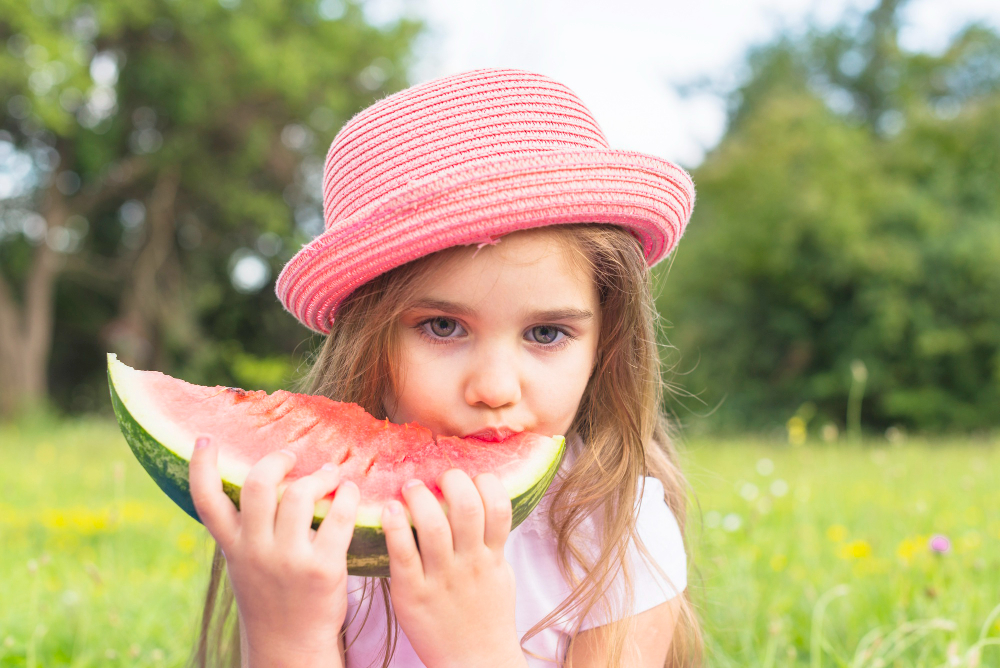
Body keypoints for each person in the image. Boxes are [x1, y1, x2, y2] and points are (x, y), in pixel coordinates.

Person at [187, 68, 702, 668]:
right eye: (443, 327)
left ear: (606, 345)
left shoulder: (620, 535)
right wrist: (286, 635)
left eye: (546, 333)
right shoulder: (311, 520)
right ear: (366, 341)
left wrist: (475, 651)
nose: (494, 387)